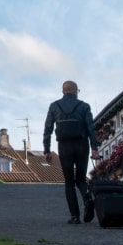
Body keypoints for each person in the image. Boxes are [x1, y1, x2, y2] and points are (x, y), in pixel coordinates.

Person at [43, 80, 100, 224]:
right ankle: (87, 199)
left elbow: (48, 129)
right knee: (81, 179)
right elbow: (90, 128)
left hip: (64, 146)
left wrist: (47, 150)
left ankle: (75, 216)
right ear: (75, 91)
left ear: (63, 91)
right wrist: (94, 148)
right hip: (82, 144)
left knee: (69, 181)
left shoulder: (54, 106)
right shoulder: (84, 106)